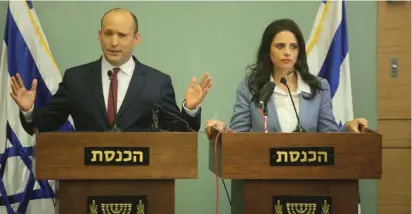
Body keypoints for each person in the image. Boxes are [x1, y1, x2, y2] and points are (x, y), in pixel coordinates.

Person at [10, 8, 212, 134]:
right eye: (108, 34)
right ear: (100, 35)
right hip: (86, 183)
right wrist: (29, 111)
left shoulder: (157, 82)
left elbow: (179, 131)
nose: (114, 42)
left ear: (136, 38)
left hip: (141, 183)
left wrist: (189, 109)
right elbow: (44, 125)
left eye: (122, 35)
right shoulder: (76, 79)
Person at [205, 18, 367, 138]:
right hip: (263, 175)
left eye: (293, 46)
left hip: (310, 174)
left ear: (299, 51)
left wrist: (348, 127)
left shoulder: (318, 87)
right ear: (268, 51)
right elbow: (238, 135)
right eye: (280, 46)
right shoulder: (251, 87)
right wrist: (222, 129)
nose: (288, 52)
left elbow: (331, 137)